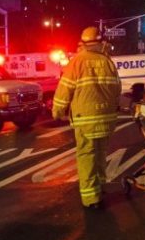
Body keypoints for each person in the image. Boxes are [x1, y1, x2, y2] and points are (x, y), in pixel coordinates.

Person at [52, 26, 121, 210]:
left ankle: (91, 198)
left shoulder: (77, 62)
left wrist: (57, 111)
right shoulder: (108, 62)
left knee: (87, 156)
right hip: (106, 118)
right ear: (100, 42)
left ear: (83, 42)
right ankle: (100, 188)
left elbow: (64, 89)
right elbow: (117, 89)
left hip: (85, 120)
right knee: (100, 155)